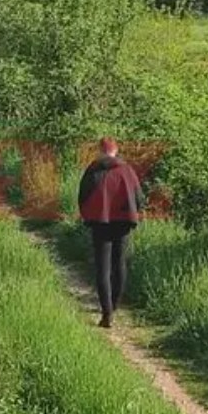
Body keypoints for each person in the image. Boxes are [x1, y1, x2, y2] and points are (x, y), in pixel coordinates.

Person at [77, 138, 145, 328]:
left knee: (103, 268)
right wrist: (133, 211)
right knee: (119, 263)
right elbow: (139, 198)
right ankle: (114, 305)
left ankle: (106, 313)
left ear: (100, 151)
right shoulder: (127, 170)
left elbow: (83, 197)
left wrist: (87, 215)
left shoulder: (93, 170)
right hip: (123, 223)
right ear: (116, 151)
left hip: (100, 222)